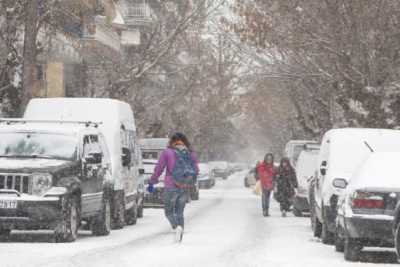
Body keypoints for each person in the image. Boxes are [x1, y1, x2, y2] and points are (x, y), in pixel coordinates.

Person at [147, 133, 199, 242]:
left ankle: (176, 228)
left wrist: (152, 182)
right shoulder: (191, 153)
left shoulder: (167, 152)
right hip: (185, 186)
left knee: (169, 212)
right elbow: (196, 171)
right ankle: (180, 233)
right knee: (180, 212)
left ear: (172, 141)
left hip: (171, 185)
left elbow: (159, 168)